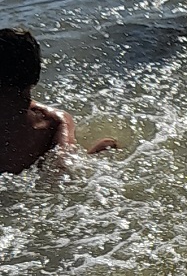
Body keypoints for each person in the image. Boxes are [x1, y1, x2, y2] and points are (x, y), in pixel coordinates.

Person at [1, 27, 117, 174]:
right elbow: (62, 166)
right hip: (33, 181)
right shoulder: (54, 121)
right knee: (109, 144)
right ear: (35, 74)